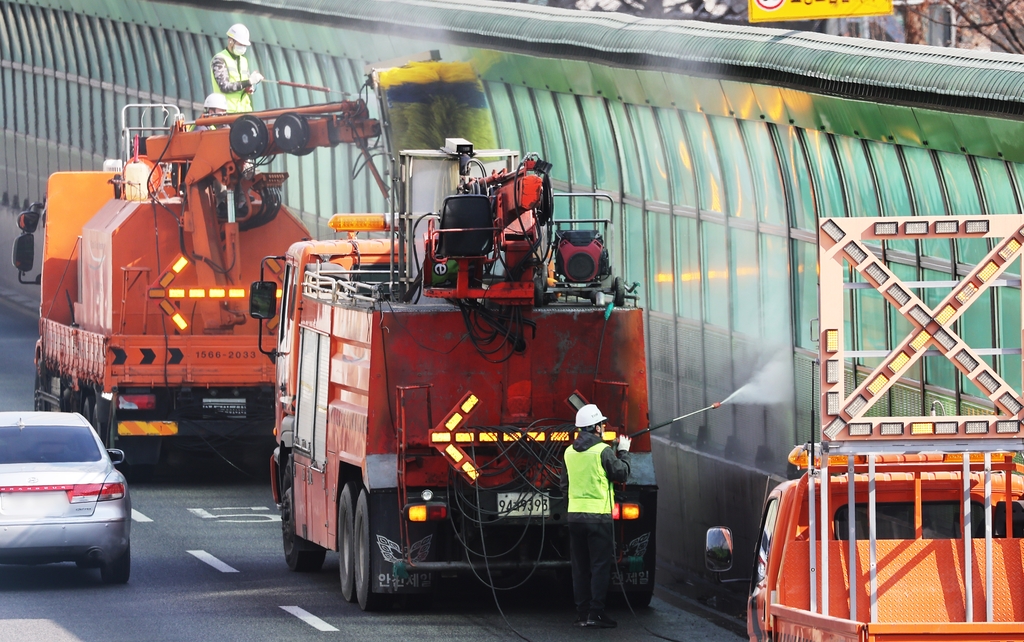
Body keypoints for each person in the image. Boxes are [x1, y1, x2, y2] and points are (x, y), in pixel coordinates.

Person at [560, 404, 631, 629]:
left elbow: (564, 486)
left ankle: (582, 614)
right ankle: (596, 613)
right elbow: (621, 474)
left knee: (580, 567)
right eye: (601, 424)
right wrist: (624, 451)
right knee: (600, 565)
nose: (603, 427)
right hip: (598, 517)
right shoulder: (603, 451)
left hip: (574, 518)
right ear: (596, 428)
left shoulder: (569, 452)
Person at [209, 23, 263, 113]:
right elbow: (224, 87)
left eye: (245, 45)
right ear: (231, 41)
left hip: (245, 111)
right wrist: (248, 82)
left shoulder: (244, 61)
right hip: (227, 112)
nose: (243, 47)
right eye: (240, 44)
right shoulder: (220, 59)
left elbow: (244, 84)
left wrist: (249, 87)